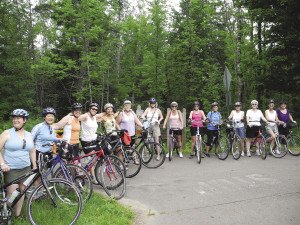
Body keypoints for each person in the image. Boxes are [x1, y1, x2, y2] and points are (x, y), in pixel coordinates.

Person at [0, 109, 36, 216]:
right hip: (11, 169)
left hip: (26, 168)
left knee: (22, 192)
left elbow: (32, 150)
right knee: (12, 193)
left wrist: (34, 165)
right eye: (14, 118)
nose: (15, 120)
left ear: (24, 120)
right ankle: (6, 213)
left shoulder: (29, 134)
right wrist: (2, 164)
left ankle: (17, 215)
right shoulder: (7, 133)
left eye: (18, 118)